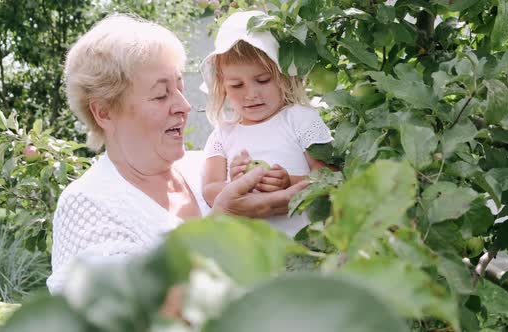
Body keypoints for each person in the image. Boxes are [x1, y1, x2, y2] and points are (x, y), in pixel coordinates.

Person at [47, 13, 307, 294]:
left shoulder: (205, 171)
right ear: (104, 112)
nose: (183, 106)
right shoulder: (87, 203)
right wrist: (222, 223)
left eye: (181, 89)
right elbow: (113, 313)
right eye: (161, 95)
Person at [200, 11, 333, 237]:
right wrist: (236, 186)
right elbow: (210, 189)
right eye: (236, 85)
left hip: (304, 246)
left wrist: (289, 182)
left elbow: (329, 175)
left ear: (283, 76)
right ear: (223, 87)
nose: (251, 94)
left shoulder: (300, 119)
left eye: (262, 80)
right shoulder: (222, 134)